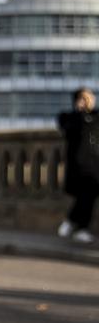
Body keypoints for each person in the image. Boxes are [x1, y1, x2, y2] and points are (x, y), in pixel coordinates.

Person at [57, 87, 99, 244]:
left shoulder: (95, 116)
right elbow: (68, 129)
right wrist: (80, 112)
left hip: (94, 164)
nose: (90, 101)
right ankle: (77, 226)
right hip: (78, 164)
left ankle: (74, 223)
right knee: (86, 193)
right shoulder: (68, 117)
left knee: (88, 194)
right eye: (85, 98)